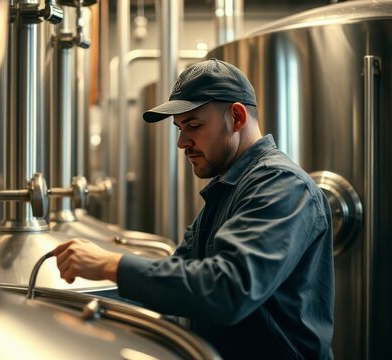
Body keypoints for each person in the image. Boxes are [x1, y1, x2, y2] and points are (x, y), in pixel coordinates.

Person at [53, 58, 334, 359]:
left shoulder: (281, 185)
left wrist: (110, 264)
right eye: (179, 128)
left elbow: (228, 290)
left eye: (194, 126)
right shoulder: (226, 191)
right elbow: (180, 279)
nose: (181, 142)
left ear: (237, 117)